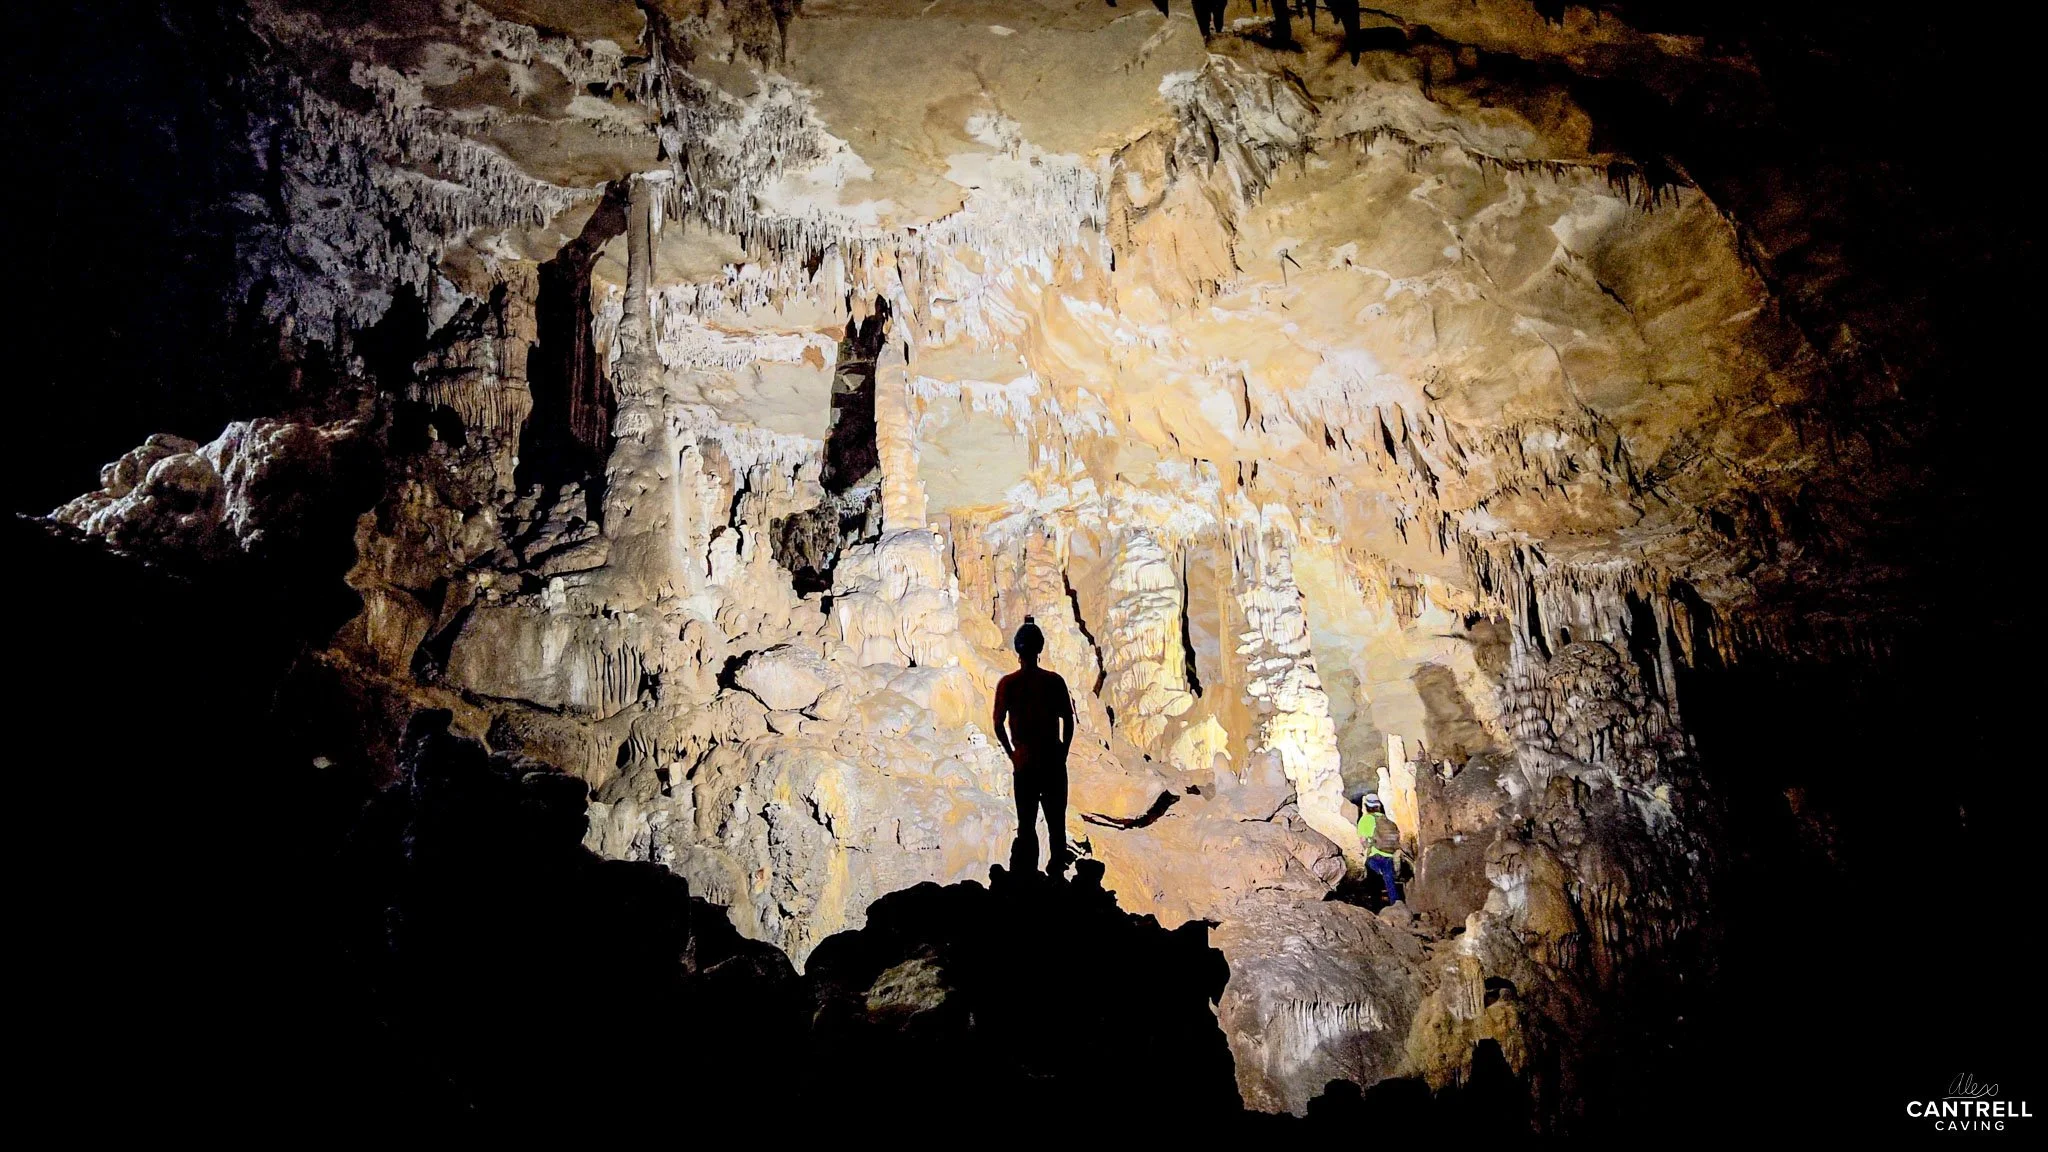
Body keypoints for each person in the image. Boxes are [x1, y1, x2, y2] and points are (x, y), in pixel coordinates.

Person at [992, 616, 1075, 876]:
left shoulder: (1008, 683)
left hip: (1025, 762)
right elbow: (1068, 721)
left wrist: (1013, 754)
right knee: (1056, 824)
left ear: (1019, 650)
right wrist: (1063, 751)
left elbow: (997, 723)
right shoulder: (1054, 681)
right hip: (1051, 760)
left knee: (1026, 824)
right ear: (1040, 649)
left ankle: (1027, 877)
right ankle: (1057, 875)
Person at [1357, 791, 1402, 904]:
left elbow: (1363, 840)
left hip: (1375, 855)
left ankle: (1375, 904)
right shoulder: (1387, 820)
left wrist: (1367, 847)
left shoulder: (1366, 819)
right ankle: (1396, 904)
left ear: (1367, 806)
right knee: (1389, 880)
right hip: (1390, 854)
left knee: (1371, 877)